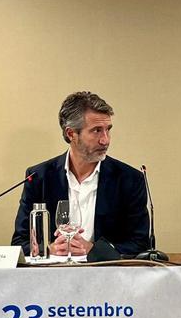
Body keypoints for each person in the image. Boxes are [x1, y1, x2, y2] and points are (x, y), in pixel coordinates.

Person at [11, 91, 149, 257]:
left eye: (108, 130)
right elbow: (19, 242)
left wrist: (94, 249)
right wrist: (48, 249)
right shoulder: (39, 177)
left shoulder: (130, 179)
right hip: (52, 277)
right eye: (97, 131)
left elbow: (140, 244)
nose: (106, 140)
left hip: (107, 275)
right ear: (71, 134)